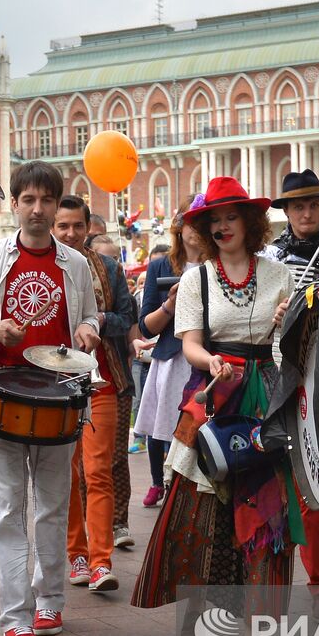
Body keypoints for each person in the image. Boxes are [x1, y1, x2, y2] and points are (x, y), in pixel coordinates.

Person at [130, 177, 293, 636]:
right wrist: (212, 364)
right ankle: (204, 617)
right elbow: (191, 345)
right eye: (214, 220)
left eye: (231, 217)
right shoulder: (197, 278)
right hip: (215, 394)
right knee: (202, 510)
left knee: (266, 509)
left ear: (250, 222)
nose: (222, 227)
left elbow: (291, 347)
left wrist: (287, 323)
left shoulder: (279, 275)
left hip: (266, 397)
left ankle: (259, 628)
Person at [0, 162, 101, 636]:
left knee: (52, 508)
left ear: (57, 203)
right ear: (15, 204)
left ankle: (49, 602)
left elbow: (88, 315)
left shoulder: (76, 264)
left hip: (60, 398)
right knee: (5, 510)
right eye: (29, 200)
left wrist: (89, 330)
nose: (38, 210)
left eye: (47, 200)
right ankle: (14, 616)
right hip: (0, 397)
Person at [261, 168, 319, 600]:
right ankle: (316, 573)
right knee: (300, 473)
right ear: (286, 211)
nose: (308, 212)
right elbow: (256, 324)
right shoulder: (270, 260)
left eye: (314, 204)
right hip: (288, 375)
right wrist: (275, 317)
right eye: (298, 206)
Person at [54, 196, 135, 592]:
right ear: (53, 227)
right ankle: (77, 556)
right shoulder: (42, 265)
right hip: (54, 385)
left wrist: (99, 320)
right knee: (67, 475)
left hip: (101, 380)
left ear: (89, 228)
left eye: (77, 226)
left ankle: (102, 562)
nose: (70, 233)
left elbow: (127, 317)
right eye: (63, 226)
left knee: (98, 472)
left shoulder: (108, 267)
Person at [132, 199, 203, 509]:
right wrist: (170, 305)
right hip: (172, 356)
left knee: (198, 425)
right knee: (162, 424)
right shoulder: (161, 266)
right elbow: (146, 327)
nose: (197, 230)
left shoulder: (218, 266)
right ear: (179, 225)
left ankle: (190, 482)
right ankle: (156, 481)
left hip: (205, 356)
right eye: (191, 221)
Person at [87, 230, 139, 544]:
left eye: (111, 259)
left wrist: (98, 320)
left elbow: (127, 320)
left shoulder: (115, 280)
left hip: (115, 378)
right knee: (85, 465)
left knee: (116, 458)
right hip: (75, 382)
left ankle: (119, 522)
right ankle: (89, 525)